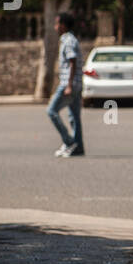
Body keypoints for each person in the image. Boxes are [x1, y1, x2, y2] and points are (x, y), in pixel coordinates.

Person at [48, 12, 84, 157]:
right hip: (75, 83)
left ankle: (69, 142)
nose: (55, 27)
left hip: (69, 84)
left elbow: (72, 61)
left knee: (51, 111)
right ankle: (78, 147)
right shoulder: (70, 39)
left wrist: (68, 85)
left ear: (62, 25)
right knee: (74, 116)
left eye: (57, 24)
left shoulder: (68, 40)